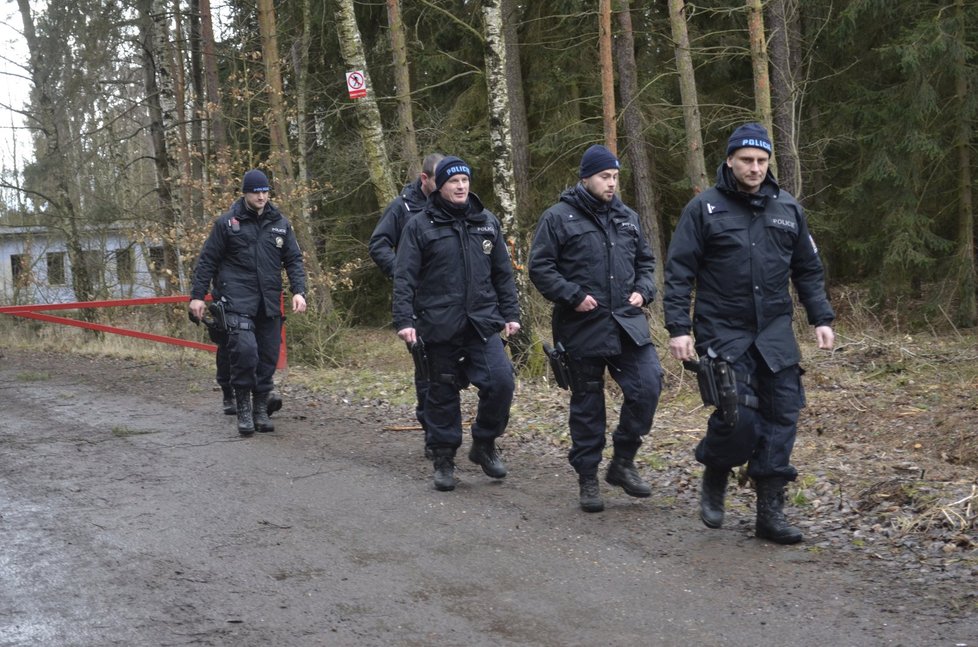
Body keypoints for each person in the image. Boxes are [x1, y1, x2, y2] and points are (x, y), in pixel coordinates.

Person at [663, 123, 835, 544]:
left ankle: (770, 513)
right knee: (737, 414)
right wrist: (679, 328)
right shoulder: (703, 209)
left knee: (781, 416)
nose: (755, 168)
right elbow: (679, 272)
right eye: (747, 160)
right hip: (723, 329)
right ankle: (717, 469)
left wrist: (821, 318)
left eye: (761, 161)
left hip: (775, 331)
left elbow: (808, 271)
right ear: (729, 161)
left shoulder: (788, 209)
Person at [529, 144, 664, 513]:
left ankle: (622, 462)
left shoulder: (628, 217)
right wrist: (571, 295)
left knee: (649, 384)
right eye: (605, 177)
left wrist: (644, 290)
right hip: (581, 326)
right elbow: (540, 267)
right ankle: (587, 476)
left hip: (627, 324)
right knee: (588, 405)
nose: (611, 184)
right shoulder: (558, 218)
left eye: (616, 178)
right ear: (585, 177)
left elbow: (646, 263)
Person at [392, 156, 521, 491]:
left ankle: (484, 442)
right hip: (438, 324)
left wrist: (511, 314)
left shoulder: (486, 221)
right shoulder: (420, 225)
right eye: (453, 181)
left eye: (465, 180)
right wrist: (405, 320)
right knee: (441, 393)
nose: (461, 186)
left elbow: (503, 275)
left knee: (502, 382)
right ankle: (445, 458)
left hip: (482, 323)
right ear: (440, 185)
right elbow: (404, 276)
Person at [189, 169, 307, 436]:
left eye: (265, 191)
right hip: (236, 299)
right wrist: (197, 296)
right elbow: (207, 261)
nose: (261, 196)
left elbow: (294, 260)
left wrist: (299, 291)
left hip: (269, 301)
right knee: (244, 352)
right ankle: (242, 406)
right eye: (256, 191)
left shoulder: (280, 224)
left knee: (267, 355)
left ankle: (260, 409)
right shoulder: (227, 223)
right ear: (246, 193)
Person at [369, 153, 444, 457]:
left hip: (448, 301)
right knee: (426, 366)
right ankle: (431, 431)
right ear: (424, 179)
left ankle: (443, 429)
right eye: (441, 180)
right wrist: (403, 271)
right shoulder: (402, 207)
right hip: (415, 301)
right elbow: (378, 244)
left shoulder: (452, 204)